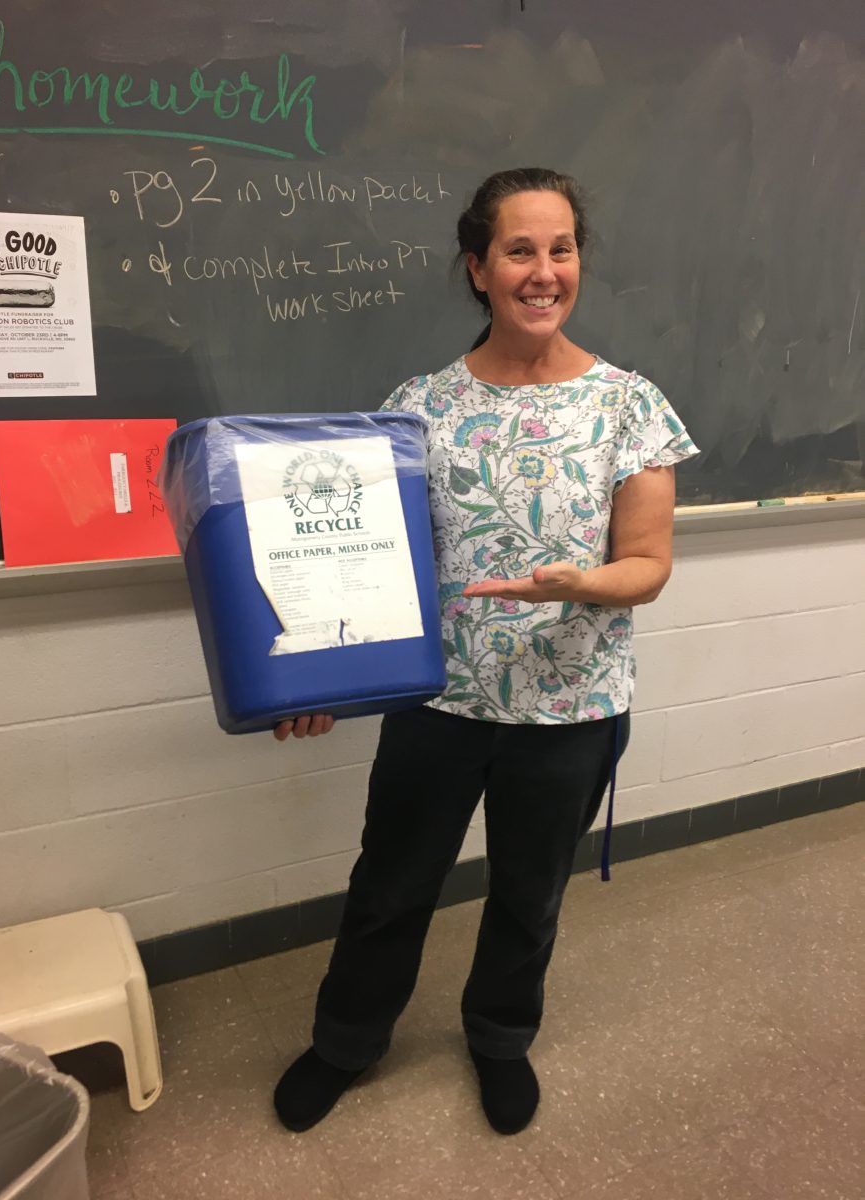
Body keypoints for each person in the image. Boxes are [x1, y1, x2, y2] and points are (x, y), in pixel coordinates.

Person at [271, 168, 699, 1135]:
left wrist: (574, 584)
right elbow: (356, 563)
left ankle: (500, 1039)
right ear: (477, 268)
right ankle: (346, 1040)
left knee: (527, 894)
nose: (544, 272)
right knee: (390, 885)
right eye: (520, 251)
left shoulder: (630, 404)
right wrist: (317, 680)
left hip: (571, 707)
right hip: (437, 702)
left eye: (562, 249)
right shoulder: (416, 407)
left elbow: (648, 564)